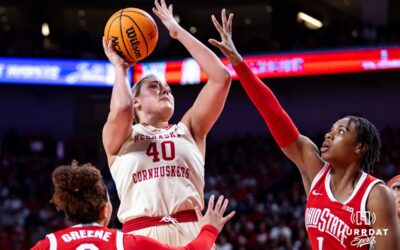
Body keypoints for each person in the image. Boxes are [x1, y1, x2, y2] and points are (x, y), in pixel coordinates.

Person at [209, 10, 400, 250]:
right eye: (331, 130)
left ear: (360, 147)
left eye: (341, 132)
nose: (329, 135)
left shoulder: (375, 194)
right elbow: (275, 115)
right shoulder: (313, 168)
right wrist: (239, 63)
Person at [102, 0, 232, 245]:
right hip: (141, 235)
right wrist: (119, 68)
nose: (164, 89)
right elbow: (121, 106)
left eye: (167, 88)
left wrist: (177, 32)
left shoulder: (190, 129)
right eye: (154, 86)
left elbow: (221, 78)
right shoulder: (121, 136)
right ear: (136, 101)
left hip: (192, 230)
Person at [31, 161, 235, 249]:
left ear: (67, 210)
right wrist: (210, 228)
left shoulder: (48, 245)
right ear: (105, 210)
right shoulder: (126, 243)